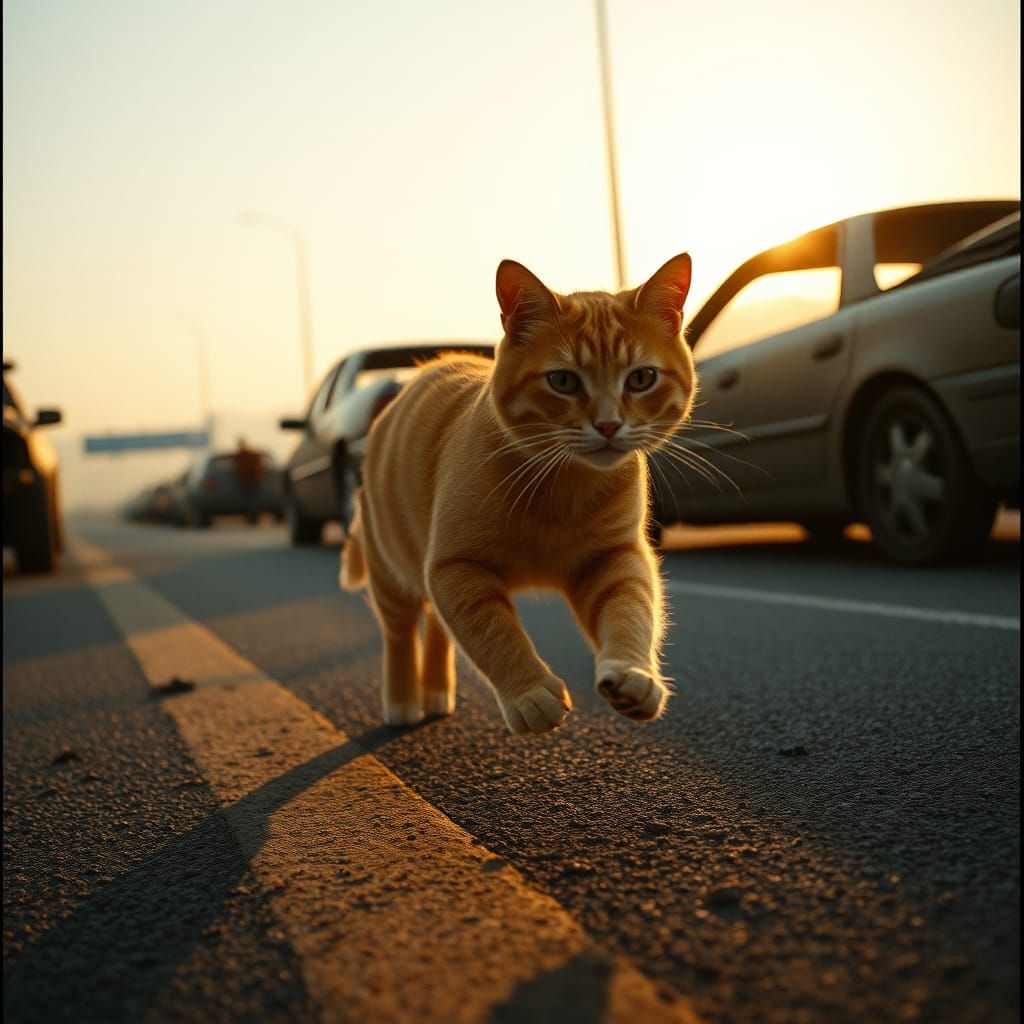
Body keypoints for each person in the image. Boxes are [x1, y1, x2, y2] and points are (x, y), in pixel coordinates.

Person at [232, 438, 266, 523]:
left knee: (250, 499)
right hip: (252, 480)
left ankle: (252, 517)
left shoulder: (241, 455)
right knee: (253, 499)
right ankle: (253, 517)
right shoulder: (250, 454)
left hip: (249, 480)